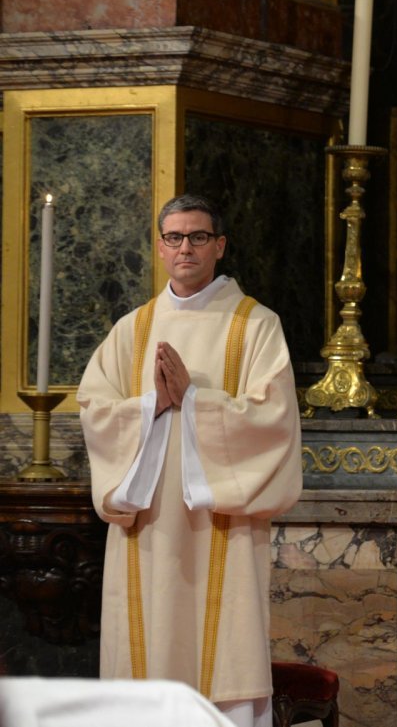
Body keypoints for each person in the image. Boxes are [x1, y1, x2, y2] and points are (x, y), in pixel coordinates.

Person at [78, 195, 303, 727]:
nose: (186, 248)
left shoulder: (255, 326)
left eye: (199, 237)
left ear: (219, 247)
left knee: (222, 651)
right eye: (175, 237)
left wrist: (195, 400)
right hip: (148, 527)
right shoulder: (131, 330)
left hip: (221, 528)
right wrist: (155, 403)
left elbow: (273, 419)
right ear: (159, 248)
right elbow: (95, 411)